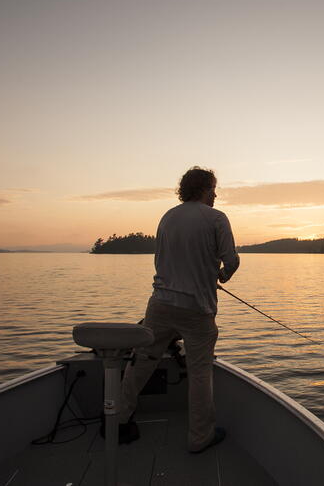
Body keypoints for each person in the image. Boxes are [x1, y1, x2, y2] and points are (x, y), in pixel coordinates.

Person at [116, 166, 240, 453]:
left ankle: (119, 419)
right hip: (197, 310)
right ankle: (200, 437)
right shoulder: (216, 218)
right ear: (205, 189)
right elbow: (230, 261)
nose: (216, 195)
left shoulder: (168, 217)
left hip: (159, 306)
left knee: (141, 363)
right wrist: (221, 275)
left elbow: (165, 260)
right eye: (213, 189)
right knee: (199, 373)